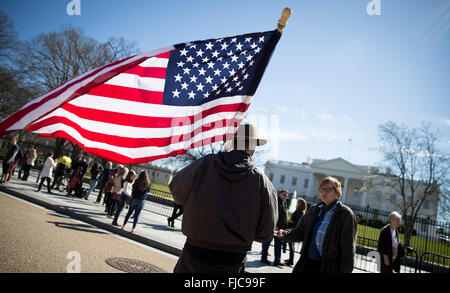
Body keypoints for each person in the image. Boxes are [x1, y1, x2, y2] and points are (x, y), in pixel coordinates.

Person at [169, 123, 278, 273]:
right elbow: (265, 232)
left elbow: (177, 191)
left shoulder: (205, 163)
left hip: (194, 251)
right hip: (232, 260)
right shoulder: (262, 182)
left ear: (233, 142)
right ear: (253, 146)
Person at [275, 176, 357, 273]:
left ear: (337, 192)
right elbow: (300, 231)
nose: (324, 192)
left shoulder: (345, 214)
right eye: (322, 189)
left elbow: (347, 250)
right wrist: (285, 234)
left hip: (328, 267)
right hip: (308, 264)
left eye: (328, 189)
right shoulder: (314, 210)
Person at [261, 189, 289, 267]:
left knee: (278, 244)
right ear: (280, 194)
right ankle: (263, 258)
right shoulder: (276, 201)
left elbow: (284, 215)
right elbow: (273, 213)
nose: (285, 197)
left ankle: (277, 260)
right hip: (274, 227)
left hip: (281, 228)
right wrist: (275, 224)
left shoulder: (284, 202)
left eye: (286, 195)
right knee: (267, 242)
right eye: (284, 195)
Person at [283, 197, 307, 266]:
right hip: (294, 229)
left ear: (300, 204)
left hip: (294, 230)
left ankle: (291, 260)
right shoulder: (301, 211)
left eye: (297, 202)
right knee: (291, 245)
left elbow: (297, 221)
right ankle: (290, 259)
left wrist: (289, 221)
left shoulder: (299, 212)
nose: (296, 203)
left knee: (291, 245)